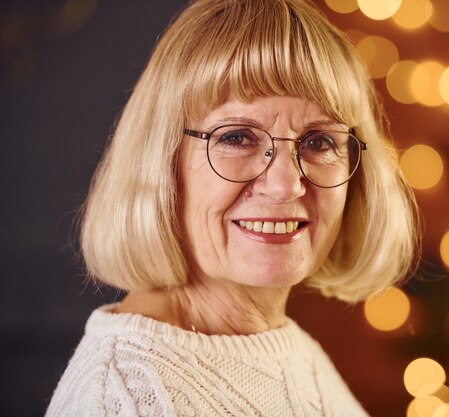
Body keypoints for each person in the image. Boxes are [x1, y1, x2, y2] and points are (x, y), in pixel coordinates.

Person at [46, 0, 418, 415]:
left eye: (319, 142)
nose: (285, 185)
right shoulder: (123, 398)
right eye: (238, 137)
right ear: (162, 160)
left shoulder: (287, 350)